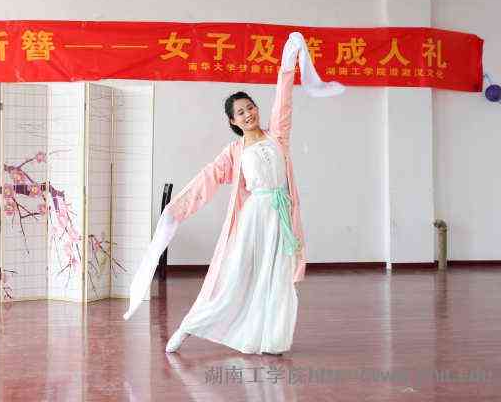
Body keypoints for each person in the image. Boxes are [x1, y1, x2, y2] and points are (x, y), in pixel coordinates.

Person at [122, 32, 346, 355]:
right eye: (241, 112)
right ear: (233, 121)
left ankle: (270, 338)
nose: (248, 113)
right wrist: (176, 209)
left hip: (280, 219)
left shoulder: (277, 136)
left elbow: (284, 99)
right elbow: (205, 180)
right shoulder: (234, 152)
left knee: (276, 279)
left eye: (250, 107)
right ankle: (189, 327)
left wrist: (288, 63)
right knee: (234, 279)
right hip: (254, 219)